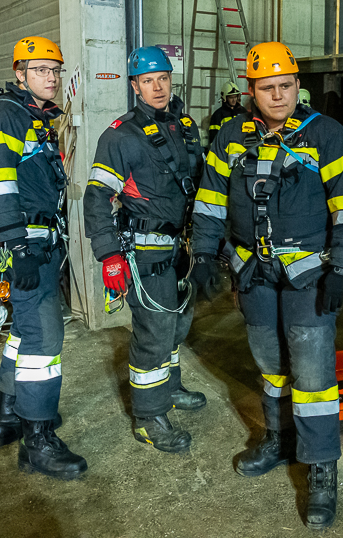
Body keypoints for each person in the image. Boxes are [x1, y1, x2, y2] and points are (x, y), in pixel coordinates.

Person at [189, 41, 343, 530]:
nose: (278, 95)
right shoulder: (231, 136)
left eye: (285, 85)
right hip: (254, 273)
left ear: (297, 85)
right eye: (267, 88)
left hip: (311, 276)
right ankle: (279, 438)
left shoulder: (327, 135)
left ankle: (321, 467)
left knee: (312, 374)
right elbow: (210, 199)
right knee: (270, 364)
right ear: (252, 91)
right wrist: (203, 254)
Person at [83, 46, 206, 454]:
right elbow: (97, 198)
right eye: (148, 81)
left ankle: (170, 387)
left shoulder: (184, 127)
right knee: (154, 333)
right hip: (146, 253)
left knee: (176, 326)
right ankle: (149, 418)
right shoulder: (120, 136)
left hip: (180, 248)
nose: (157, 87)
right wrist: (109, 255)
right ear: (135, 86)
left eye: (163, 79)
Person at [0, 36, 86, 480]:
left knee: (23, 331)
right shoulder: (3, 115)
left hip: (40, 240)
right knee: (44, 339)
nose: (51, 78)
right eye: (41, 70)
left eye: (55, 70)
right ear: (19, 73)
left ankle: (8, 416)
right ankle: (36, 441)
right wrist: (17, 247)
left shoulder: (34, 116)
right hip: (25, 244)